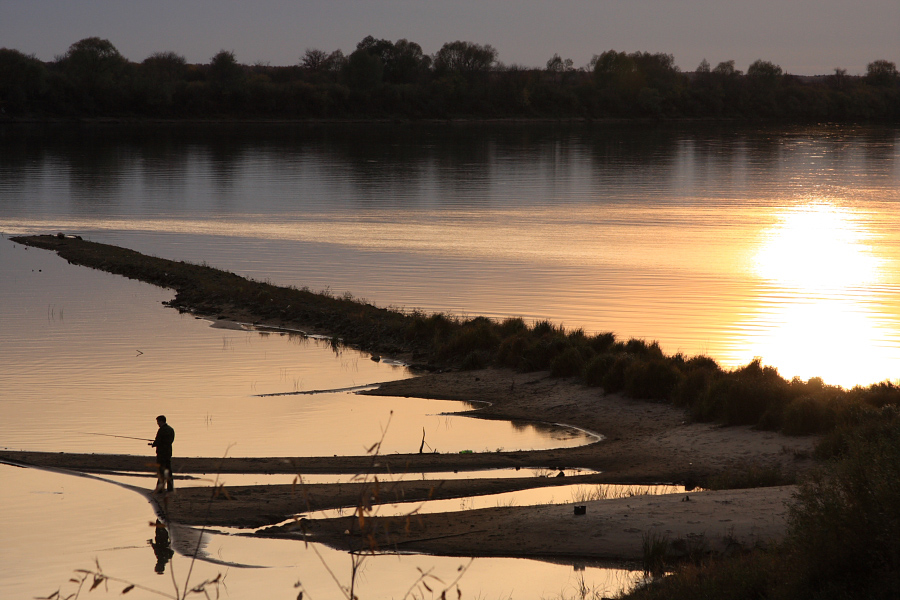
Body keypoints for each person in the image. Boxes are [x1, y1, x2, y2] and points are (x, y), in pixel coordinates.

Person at [150, 415, 175, 493]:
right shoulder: (171, 429)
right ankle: (170, 488)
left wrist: (153, 444)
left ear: (161, 421)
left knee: (161, 471)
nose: (158, 424)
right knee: (168, 470)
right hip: (168, 453)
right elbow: (170, 440)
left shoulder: (161, 430)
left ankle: (160, 489)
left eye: (158, 422)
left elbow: (158, 441)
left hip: (161, 453)